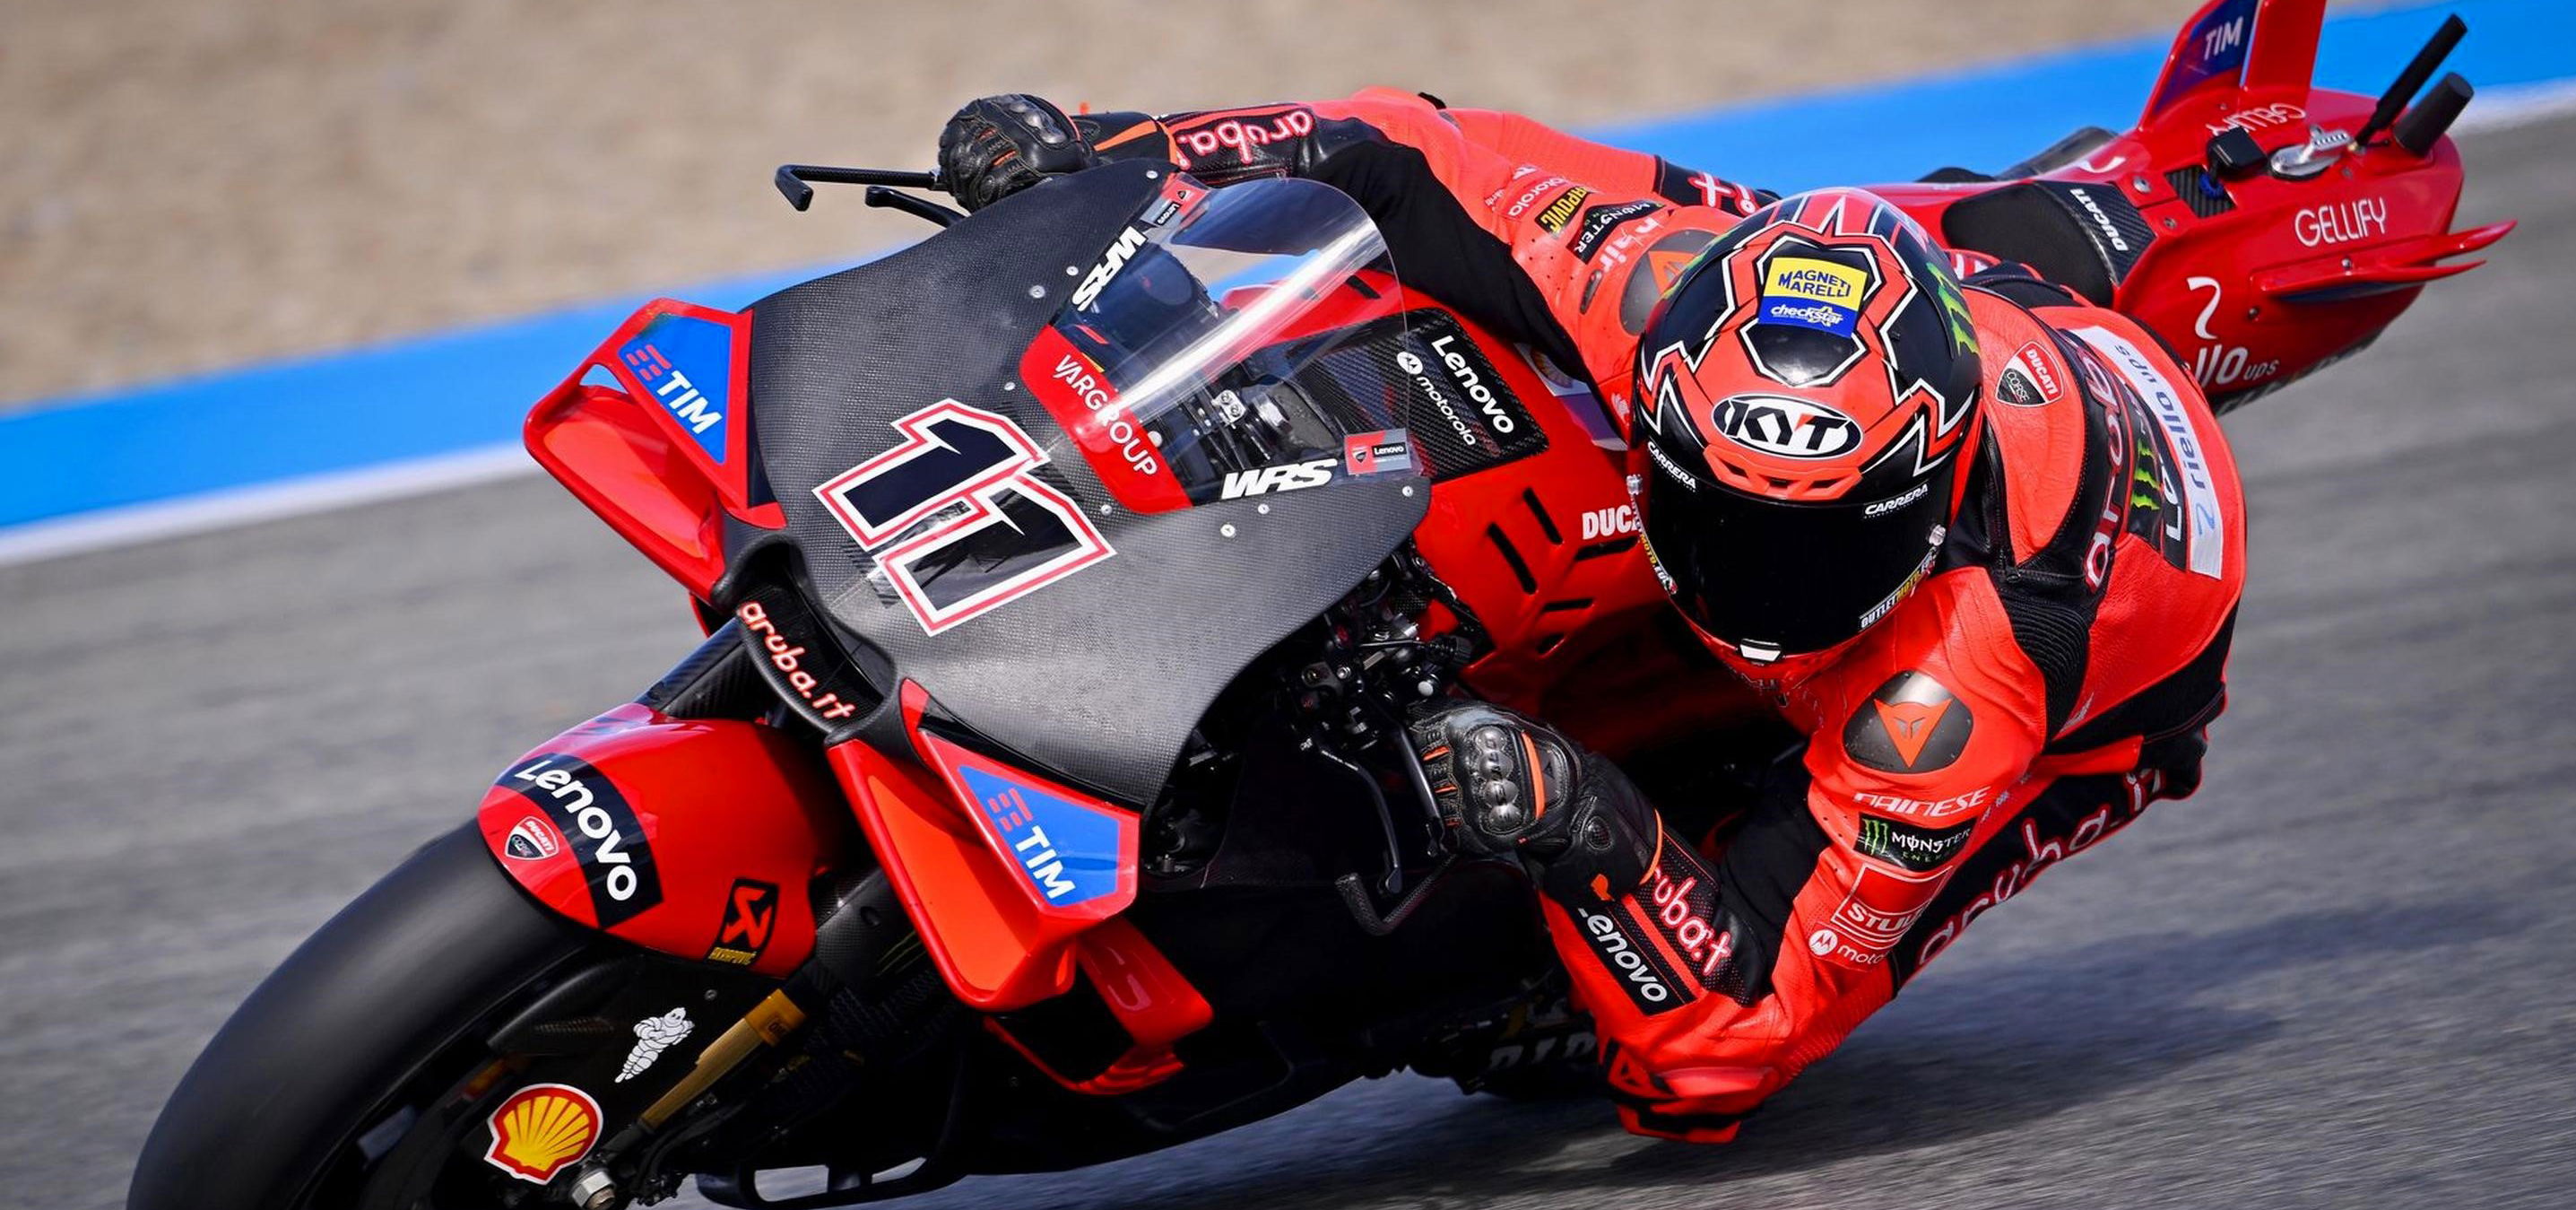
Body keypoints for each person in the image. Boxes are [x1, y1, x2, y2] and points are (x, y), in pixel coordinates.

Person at [938, 91, 2247, 1142]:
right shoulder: (1646, 290)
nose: (1764, 582)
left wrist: (1582, 822)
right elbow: (1398, 151)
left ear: (1926, 488)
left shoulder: (1971, 681)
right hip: (1985, 314)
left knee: (1673, 1012)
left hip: (2084, 710)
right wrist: (1114, 149)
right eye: (1726, 517)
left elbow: (1737, 1044)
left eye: (1816, 544)